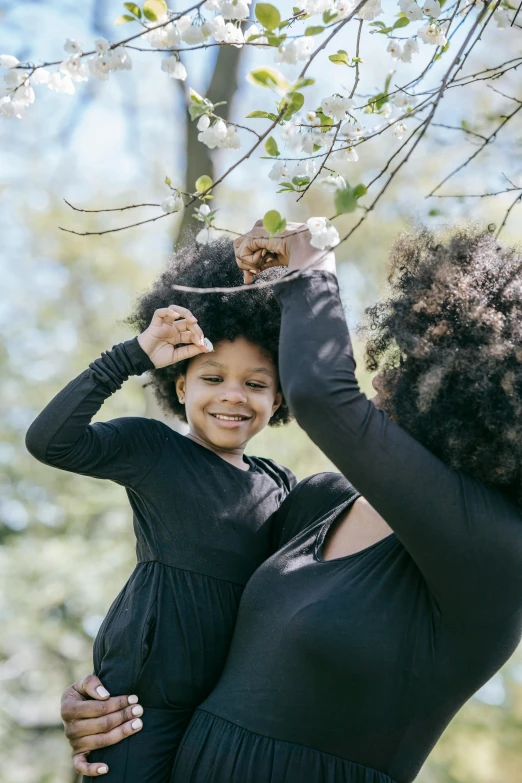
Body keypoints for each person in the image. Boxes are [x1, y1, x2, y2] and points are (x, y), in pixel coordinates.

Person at [60, 223, 522, 783]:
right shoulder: (319, 501)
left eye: (414, 361)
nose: (386, 375)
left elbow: (322, 395)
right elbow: (201, 607)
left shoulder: (494, 552)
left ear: (466, 388)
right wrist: (114, 701)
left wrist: (311, 271)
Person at [25, 237, 296, 782]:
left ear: (281, 398)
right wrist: (130, 356)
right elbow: (50, 442)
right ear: (180, 383)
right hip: (139, 706)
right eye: (213, 377)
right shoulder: (152, 448)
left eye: (257, 384)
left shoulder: (282, 485)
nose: (234, 396)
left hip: (231, 710)